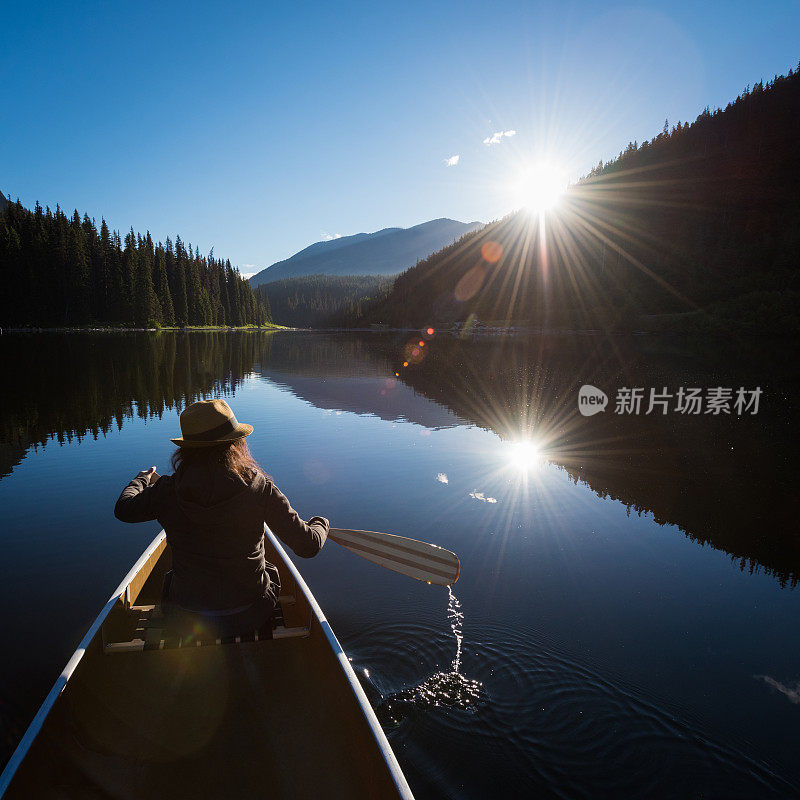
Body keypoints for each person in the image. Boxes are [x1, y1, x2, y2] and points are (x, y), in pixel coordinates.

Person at [114, 398, 329, 638]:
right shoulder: (259, 487)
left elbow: (124, 509)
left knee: (169, 580)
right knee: (270, 570)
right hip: (251, 613)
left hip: (186, 615)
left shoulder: (167, 491)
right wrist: (321, 523)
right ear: (235, 444)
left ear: (186, 449)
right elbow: (308, 545)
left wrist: (141, 479)